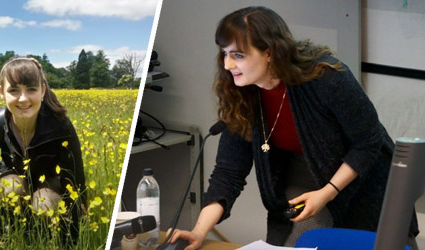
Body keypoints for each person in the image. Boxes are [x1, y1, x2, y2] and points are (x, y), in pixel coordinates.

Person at [167, 6, 419, 249]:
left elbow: (368, 142)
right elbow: (228, 173)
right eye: (224, 53)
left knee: (377, 243)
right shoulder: (240, 93)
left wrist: (328, 192)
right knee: (294, 243)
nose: (227, 65)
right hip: (303, 174)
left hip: (366, 175)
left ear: (270, 53)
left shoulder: (326, 76)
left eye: (238, 55)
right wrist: (198, 231)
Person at [0, 56, 87, 245]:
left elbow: (75, 182)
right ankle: (18, 234)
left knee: (44, 202)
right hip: (12, 177)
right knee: (11, 189)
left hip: (50, 183)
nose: (23, 99)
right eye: (14, 90)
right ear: (2, 92)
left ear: (43, 90)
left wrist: (74, 238)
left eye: (31, 89)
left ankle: (48, 237)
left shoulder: (60, 125)